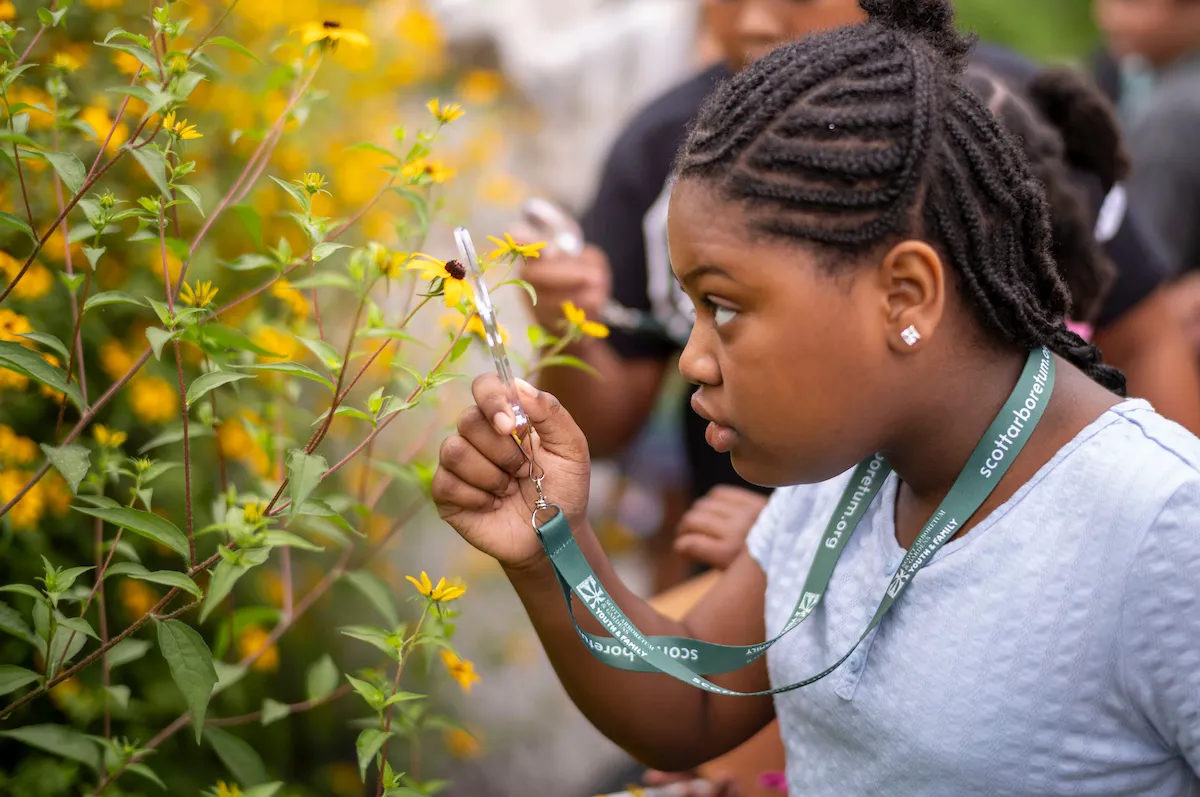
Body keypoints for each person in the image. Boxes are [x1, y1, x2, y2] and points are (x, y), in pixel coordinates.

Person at [433, 2, 1200, 795]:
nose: (693, 359)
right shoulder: (847, 475)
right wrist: (553, 544)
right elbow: (692, 700)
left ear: (905, 295)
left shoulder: (1163, 526)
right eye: (691, 310)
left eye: (724, 307)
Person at [517, 0, 1200, 557]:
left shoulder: (999, 123)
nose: (757, 21)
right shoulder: (669, 150)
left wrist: (1170, 527)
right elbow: (608, 427)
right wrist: (562, 324)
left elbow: (1144, 339)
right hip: (748, 561)